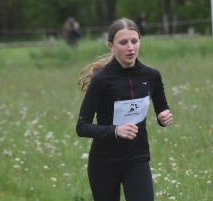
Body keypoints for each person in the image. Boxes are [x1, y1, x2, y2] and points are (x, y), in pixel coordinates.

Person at [76, 18, 173, 201]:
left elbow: (162, 109)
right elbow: (82, 127)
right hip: (104, 163)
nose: (130, 47)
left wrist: (163, 118)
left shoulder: (151, 76)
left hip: (137, 159)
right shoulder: (101, 80)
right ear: (111, 46)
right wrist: (116, 130)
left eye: (134, 41)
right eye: (123, 43)